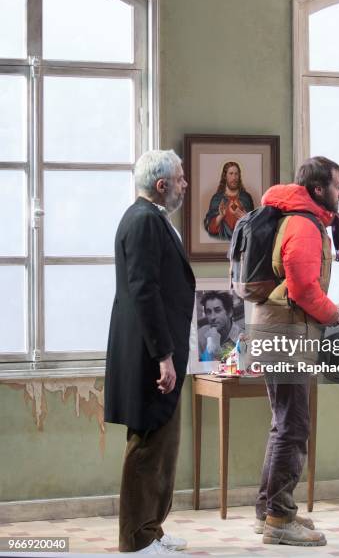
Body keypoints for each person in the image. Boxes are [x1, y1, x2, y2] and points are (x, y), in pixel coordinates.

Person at [251, 156, 339, 547]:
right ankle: (279, 517)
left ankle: (270, 511)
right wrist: (334, 314)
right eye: (337, 185)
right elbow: (303, 289)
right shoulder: (304, 225)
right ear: (317, 189)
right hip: (287, 334)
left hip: (280, 329)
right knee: (294, 426)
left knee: (283, 424)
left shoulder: (296, 218)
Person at [104, 150, 195, 554]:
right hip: (148, 355)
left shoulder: (152, 219)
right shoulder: (143, 221)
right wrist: (163, 355)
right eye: (180, 179)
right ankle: (136, 540)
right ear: (162, 186)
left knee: (163, 446)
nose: (185, 185)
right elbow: (144, 291)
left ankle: (151, 528)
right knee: (146, 447)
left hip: (161, 351)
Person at [203, 161, 254, 239]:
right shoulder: (217, 199)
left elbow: (254, 227)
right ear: (225, 176)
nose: (234, 178)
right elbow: (209, 228)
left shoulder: (246, 198)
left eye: (236, 174)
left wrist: (246, 219)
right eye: (231, 174)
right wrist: (220, 216)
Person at [197, 291, 242, 361]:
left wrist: (212, 344)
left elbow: (218, 366)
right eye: (209, 312)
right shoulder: (200, 334)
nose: (212, 317)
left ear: (229, 312)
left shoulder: (240, 337)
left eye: (217, 310)